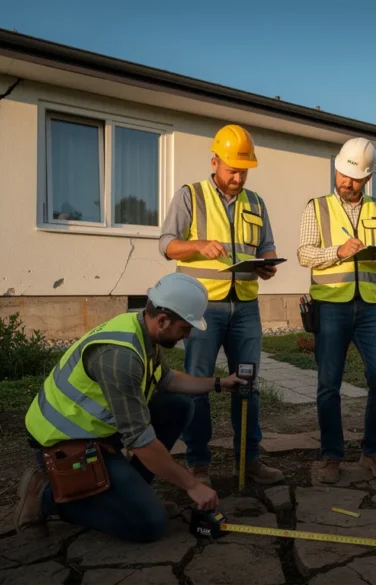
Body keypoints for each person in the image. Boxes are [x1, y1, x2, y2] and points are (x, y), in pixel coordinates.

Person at [13, 273, 250, 542]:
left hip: (100, 432)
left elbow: (167, 379)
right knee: (148, 525)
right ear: (163, 321)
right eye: (185, 328)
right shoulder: (121, 356)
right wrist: (192, 485)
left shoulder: (142, 331)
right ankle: (43, 495)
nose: (187, 335)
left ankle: (132, 493)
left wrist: (218, 383)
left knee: (178, 406)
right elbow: (140, 440)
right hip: (63, 442)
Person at [158, 124, 284, 487]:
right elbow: (166, 244)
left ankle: (249, 460)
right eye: (232, 170)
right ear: (215, 162)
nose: (238, 178)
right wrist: (198, 245)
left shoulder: (256, 202)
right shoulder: (190, 195)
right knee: (198, 384)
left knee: (247, 384)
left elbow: (267, 246)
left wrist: (269, 264)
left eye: (244, 171)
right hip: (201, 310)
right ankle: (198, 463)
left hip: (245, 307)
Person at [297, 137, 376, 485]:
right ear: (337, 167)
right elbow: (304, 254)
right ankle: (331, 455)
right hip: (331, 305)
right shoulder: (316, 207)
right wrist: (339, 251)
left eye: (355, 178)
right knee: (329, 384)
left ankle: (373, 452)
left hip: (373, 306)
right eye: (343, 174)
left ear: (368, 178)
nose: (347, 182)